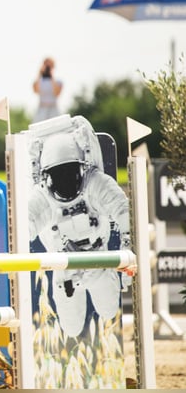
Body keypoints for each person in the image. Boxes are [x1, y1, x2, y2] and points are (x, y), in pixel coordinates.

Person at [28, 117, 130, 338]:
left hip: (99, 261)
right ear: (47, 176)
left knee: (109, 310)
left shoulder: (96, 184)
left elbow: (124, 213)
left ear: (81, 168)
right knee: (71, 328)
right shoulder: (42, 197)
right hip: (65, 269)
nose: (65, 179)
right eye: (59, 174)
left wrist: (128, 251)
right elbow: (23, 227)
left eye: (70, 172)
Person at [32, 57, 63, 123]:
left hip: (54, 109)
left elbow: (56, 93)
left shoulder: (58, 82)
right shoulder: (38, 81)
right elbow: (36, 90)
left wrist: (52, 77)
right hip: (41, 109)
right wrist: (39, 74)